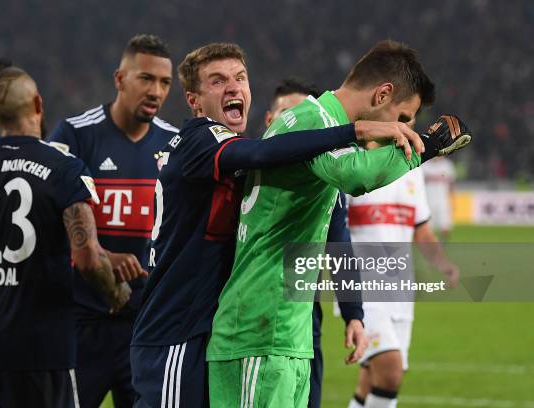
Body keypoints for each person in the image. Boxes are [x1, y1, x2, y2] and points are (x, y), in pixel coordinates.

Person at [130, 42, 427, 408]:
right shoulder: (202, 138)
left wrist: (353, 311)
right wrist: (354, 131)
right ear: (193, 100)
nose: (234, 88)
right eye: (218, 81)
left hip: (233, 323)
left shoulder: (249, 151)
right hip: (177, 329)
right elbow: (262, 153)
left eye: (240, 78)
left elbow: (336, 227)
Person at [206, 40, 471, 407]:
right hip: (258, 327)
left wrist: (352, 313)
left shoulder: (327, 126)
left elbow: (336, 231)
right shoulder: (313, 120)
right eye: (405, 119)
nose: (404, 132)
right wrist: (427, 146)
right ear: (382, 95)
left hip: (286, 331)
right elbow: (357, 178)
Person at [0, 60, 129, 408]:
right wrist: (115, 294)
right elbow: (87, 259)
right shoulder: (64, 169)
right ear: (39, 104)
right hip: (42, 355)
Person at [48, 34, 175, 407]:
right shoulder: (75, 135)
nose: (156, 91)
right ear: (120, 79)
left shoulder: (175, 144)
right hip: (81, 325)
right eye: (146, 79)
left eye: (165, 82)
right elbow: (47, 218)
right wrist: (98, 255)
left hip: (147, 327)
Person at [345, 120, 460, 408]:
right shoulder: (354, 164)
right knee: (390, 372)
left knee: (372, 380)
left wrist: (444, 264)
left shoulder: (412, 172)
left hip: (400, 291)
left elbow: (421, 229)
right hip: (365, 289)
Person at [265, 78, 363, 408]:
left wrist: (353, 313)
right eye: (290, 114)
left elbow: (340, 247)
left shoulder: (327, 184)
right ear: (270, 121)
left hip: (305, 316)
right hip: (252, 319)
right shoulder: (246, 169)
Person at [422, 156, 457, 241]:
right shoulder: (424, 165)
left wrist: (453, 200)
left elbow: (451, 184)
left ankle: (444, 243)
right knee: (427, 227)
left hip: (443, 200)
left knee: (445, 226)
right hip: (428, 200)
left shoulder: (447, 165)